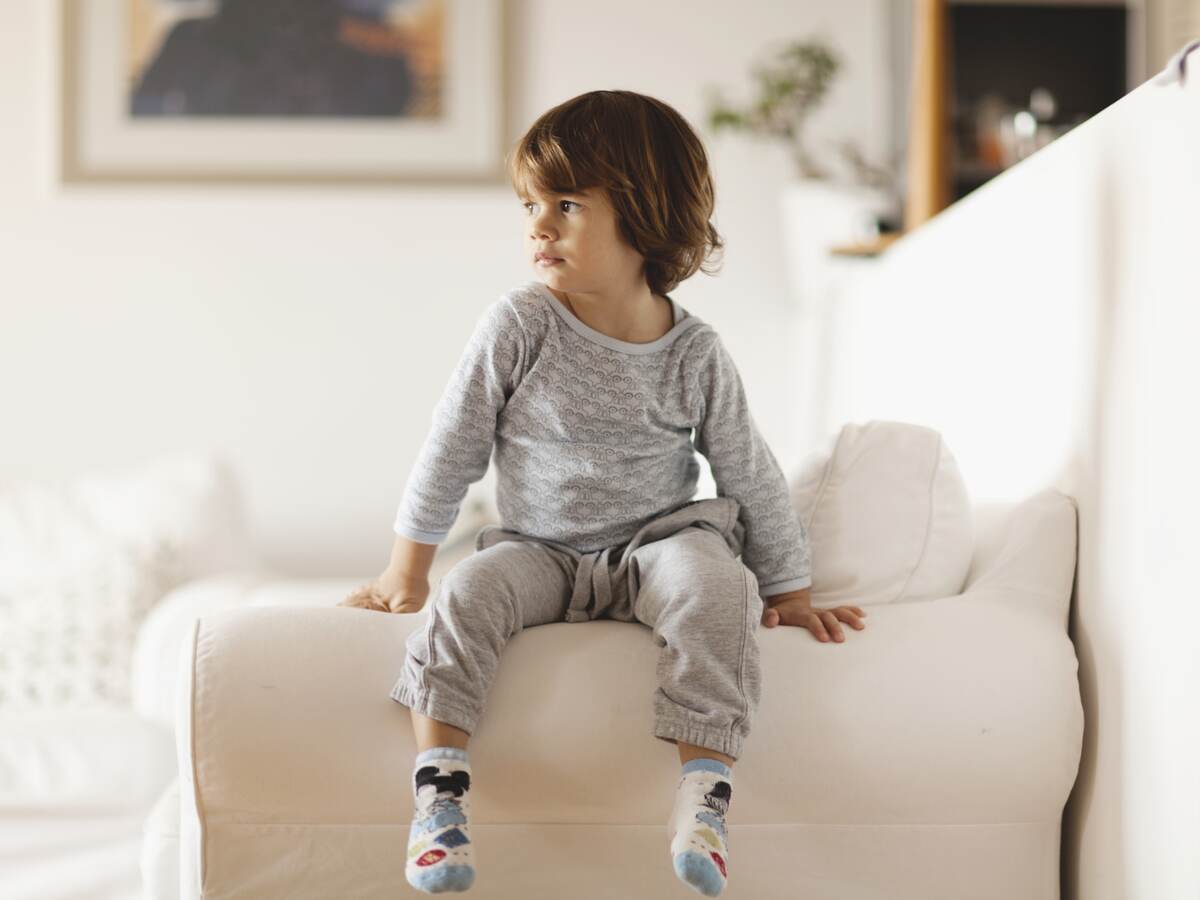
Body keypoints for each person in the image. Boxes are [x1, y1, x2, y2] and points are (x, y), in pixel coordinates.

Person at [338, 89, 868, 896]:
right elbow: (451, 450)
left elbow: (747, 470)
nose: (537, 226)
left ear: (647, 216)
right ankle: (440, 797)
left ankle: (703, 797)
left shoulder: (695, 352)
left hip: (659, 541)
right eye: (530, 205)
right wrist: (404, 572)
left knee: (717, 587)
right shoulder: (518, 325)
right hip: (537, 548)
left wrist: (790, 590)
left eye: (567, 204)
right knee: (468, 592)